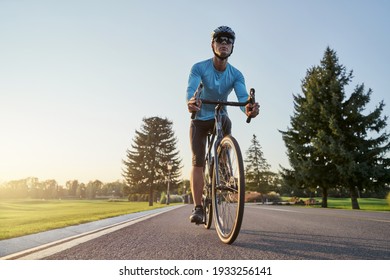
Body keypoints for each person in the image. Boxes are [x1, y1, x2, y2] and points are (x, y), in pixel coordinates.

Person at [186, 26, 260, 224]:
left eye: (228, 41)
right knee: (198, 160)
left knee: (225, 121)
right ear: (213, 45)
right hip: (200, 119)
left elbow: (243, 97)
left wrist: (249, 108)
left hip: (220, 117)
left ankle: (224, 167)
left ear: (232, 46)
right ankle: (198, 208)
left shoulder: (236, 74)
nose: (224, 44)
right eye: (220, 40)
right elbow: (192, 89)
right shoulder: (199, 68)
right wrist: (192, 102)